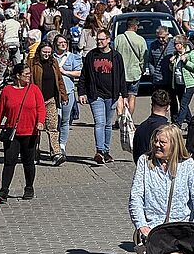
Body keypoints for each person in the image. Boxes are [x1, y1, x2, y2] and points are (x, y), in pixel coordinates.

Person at [129, 123, 194, 237]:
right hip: (153, 231)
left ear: (174, 144)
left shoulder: (187, 164)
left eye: (162, 142)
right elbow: (136, 196)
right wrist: (141, 225)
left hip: (181, 232)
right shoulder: (144, 161)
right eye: (155, 141)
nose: (157, 145)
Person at [0, 62, 46, 202]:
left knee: (28, 162)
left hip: (30, 132)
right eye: (26, 74)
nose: (29, 76)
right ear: (17, 75)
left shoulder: (34, 89)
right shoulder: (7, 91)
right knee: (9, 161)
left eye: (29, 73)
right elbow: (0, 111)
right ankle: (4, 190)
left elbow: (41, 108)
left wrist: (40, 122)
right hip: (12, 133)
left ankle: (29, 188)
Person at [78, 29, 127, 165]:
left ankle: (106, 151)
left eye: (102, 39)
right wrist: (81, 92)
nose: (99, 42)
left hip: (112, 95)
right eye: (98, 39)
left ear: (108, 40)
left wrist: (124, 95)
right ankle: (99, 151)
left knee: (108, 124)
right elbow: (84, 75)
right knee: (99, 122)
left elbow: (122, 77)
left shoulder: (116, 56)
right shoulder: (91, 55)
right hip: (95, 95)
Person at [31, 41, 68, 165]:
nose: (46, 54)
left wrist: (63, 95)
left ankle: (56, 153)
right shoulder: (32, 63)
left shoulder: (53, 62)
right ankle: (34, 154)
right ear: (39, 51)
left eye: (49, 52)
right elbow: (29, 80)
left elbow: (59, 79)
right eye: (44, 52)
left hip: (51, 99)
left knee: (53, 127)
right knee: (37, 128)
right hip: (36, 101)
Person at [52, 34, 81, 157]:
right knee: (54, 121)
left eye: (65, 42)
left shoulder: (72, 57)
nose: (63, 44)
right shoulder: (51, 57)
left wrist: (65, 72)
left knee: (65, 119)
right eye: (60, 43)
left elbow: (79, 73)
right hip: (53, 93)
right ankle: (54, 146)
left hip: (68, 92)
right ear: (55, 45)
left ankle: (62, 145)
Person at [114, 15, 148, 117]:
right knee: (132, 96)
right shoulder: (141, 40)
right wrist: (142, 69)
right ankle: (129, 117)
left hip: (120, 73)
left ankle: (120, 117)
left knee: (119, 96)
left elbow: (114, 54)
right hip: (134, 73)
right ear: (135, 26)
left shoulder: (118, 38)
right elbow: (144, 57)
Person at [170, 34, 194, 128]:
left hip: (190, 83)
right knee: (184, 104)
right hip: (179, 83)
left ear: (182, 44)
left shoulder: (191, 53)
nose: (174, 46)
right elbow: (173, 70)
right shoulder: (175, 55)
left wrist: (186, 61)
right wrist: (171, 63)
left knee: (183, 104)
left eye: (176, 44)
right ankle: (191, 123)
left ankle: (178, 124)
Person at [133, 88, 171, 164]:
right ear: (168, 108)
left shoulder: (140, 128)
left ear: (151, 105)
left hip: (142, 166)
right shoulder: (168, 130)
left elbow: (136, 154)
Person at [148, 26, 175, 95]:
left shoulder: (173, 44)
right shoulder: (153, 45)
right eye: (158, 37)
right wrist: (153, 73)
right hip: (158, 78)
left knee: (172, 98)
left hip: (171, 78)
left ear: (167, 35)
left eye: (163, 37)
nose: (160, 39)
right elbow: (150, 61)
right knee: (159, 98)